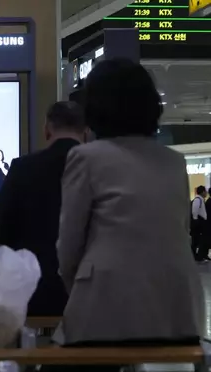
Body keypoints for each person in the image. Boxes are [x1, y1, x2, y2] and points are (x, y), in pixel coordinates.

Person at [57, 58, 203, 347]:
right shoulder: (174, 162)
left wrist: (79, 291)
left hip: (105, 302)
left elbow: (69, 246)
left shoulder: (86, 158)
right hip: (177, 307)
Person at [0, 101, 86, 317]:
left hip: (34, 290)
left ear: (47, 129)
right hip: (85, 290)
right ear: (85, 132)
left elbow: (0, 231)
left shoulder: (22, 168)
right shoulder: (98, 167)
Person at [192, 185, 208, 261]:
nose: (206, 193)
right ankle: (196, 256)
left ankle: (200, 256)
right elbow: (194, 210)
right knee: (197, 239)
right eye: (205, 191)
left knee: (200, 239)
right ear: (202, 192)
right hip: (199, 222)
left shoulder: (201, 199)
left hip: (201, 222)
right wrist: (196, 220)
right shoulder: (198, 199)